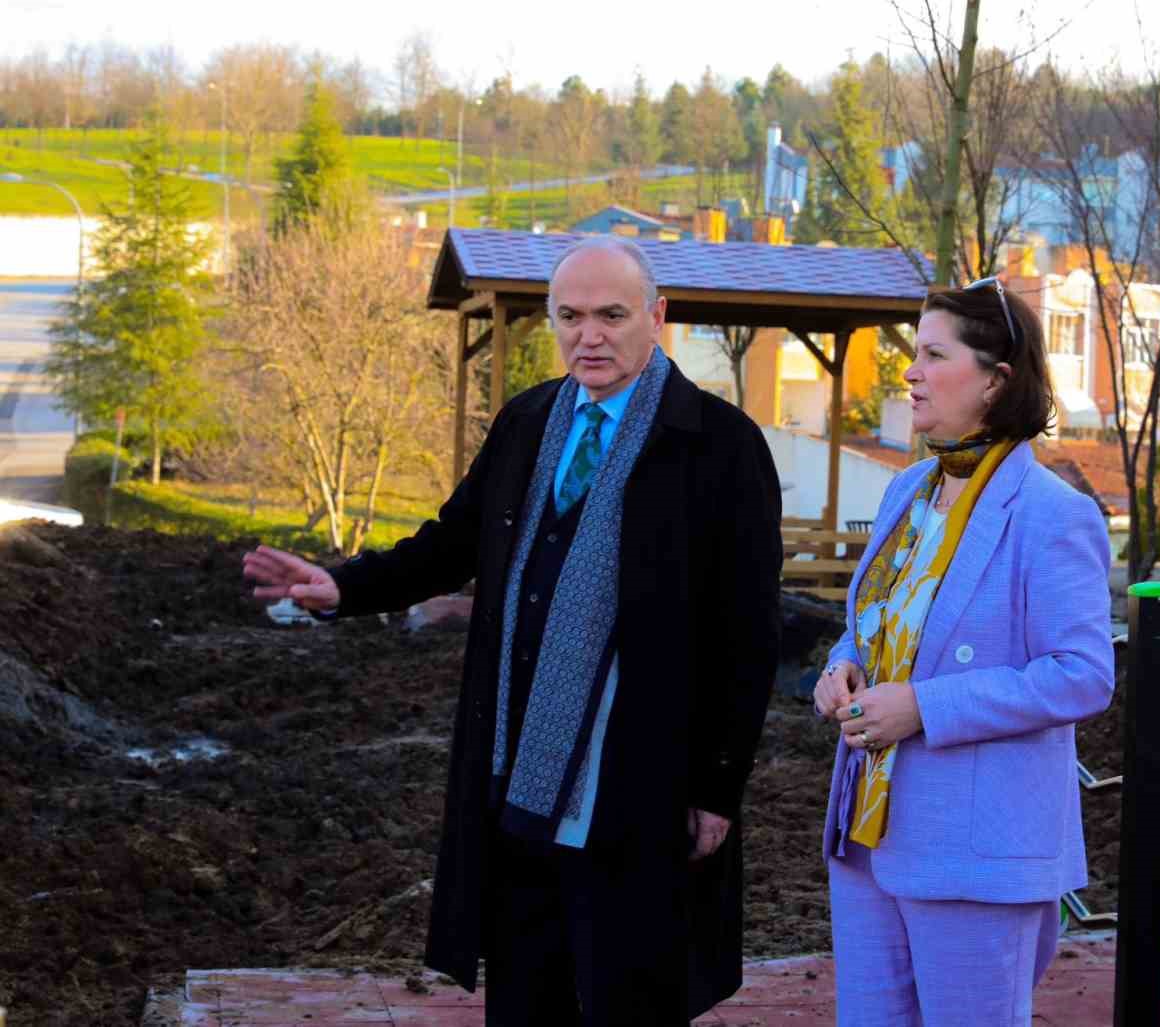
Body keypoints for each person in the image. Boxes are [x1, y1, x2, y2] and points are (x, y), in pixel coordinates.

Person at [243, 235, 783, 1026]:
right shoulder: (528, 421)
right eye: (569, 316)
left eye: (611, 315)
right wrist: (344, 585)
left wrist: (718, 786)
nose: (588, 336)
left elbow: (749, 631)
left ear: (657, 316)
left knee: (631, 1000)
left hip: (637, 788)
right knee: (526, 999)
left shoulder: (720, 444)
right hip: (515, 778)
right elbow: (451, 543)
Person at [811, 277, 1114, 1026]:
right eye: (914, 352)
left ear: (994, 381)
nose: (910, 371)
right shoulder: (908, 492)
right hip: (867, 835)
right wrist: (841, 666)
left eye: (933, 355)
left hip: (977, 853)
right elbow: (876, 624)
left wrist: (924, 707)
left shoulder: (1054, 514)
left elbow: (1082, 675)